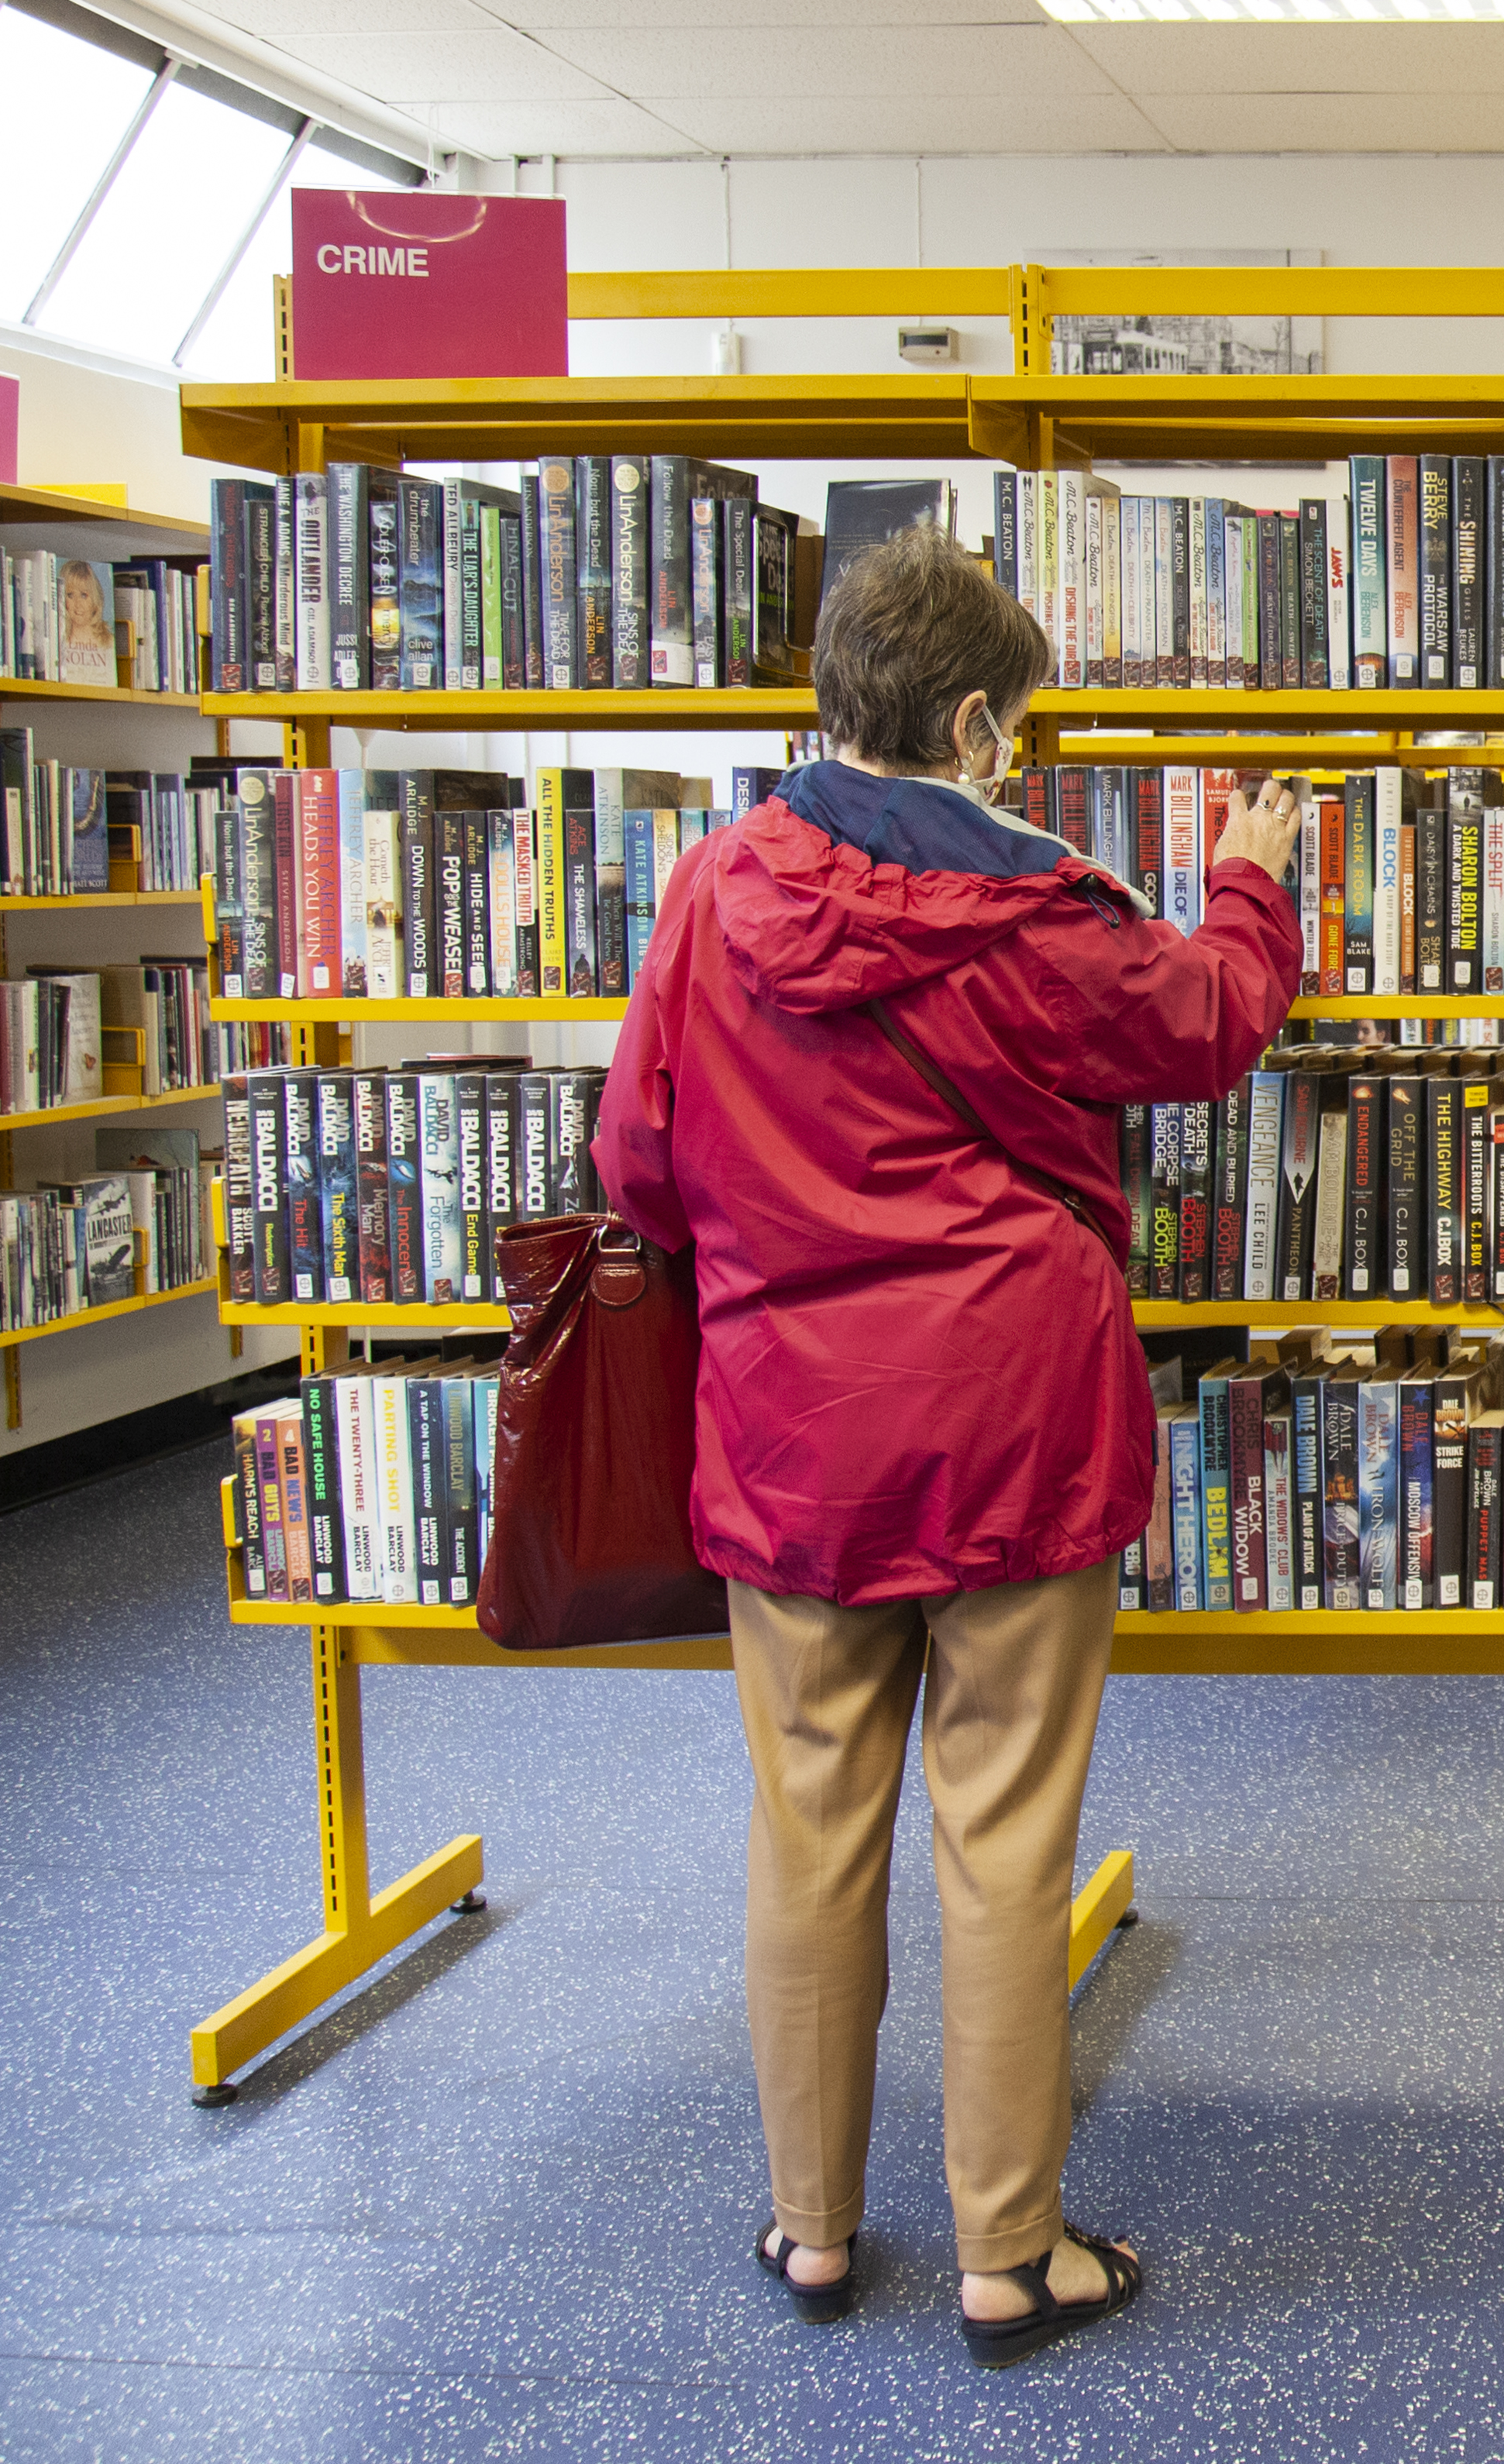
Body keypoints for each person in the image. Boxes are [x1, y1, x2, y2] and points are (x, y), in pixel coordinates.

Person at [591, 525, 1305, 2371]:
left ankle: (814, 2232)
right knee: (1002, 1839)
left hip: (794, 1439)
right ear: (978, 722)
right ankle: (1011, 2254)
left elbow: (636, 1171)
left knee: (808, 1831)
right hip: (1015, 1431)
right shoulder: (1047, 913)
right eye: (1023, 730)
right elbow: (1213, 1027)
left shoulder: (707, 896)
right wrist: (1246, 882)